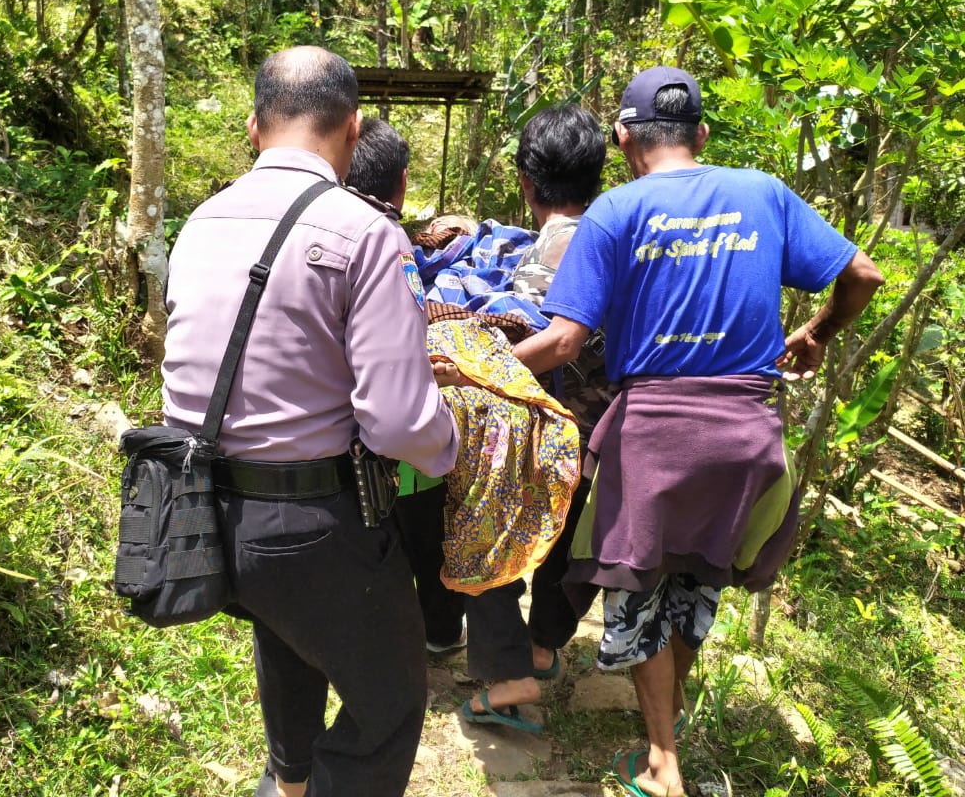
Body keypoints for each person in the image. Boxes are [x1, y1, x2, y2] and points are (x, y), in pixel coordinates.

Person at [504, 67, 884, 796]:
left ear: (622, 139)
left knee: (640, 585)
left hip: (653, 437)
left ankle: (662, 761)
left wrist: (463, 368)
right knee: (697, 578)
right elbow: (861, 273)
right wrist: (820, 330)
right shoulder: (763, 193)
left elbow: (563, 341)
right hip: (746, 433)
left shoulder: (616, 211)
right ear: (702, 134)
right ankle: (667, 720)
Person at [161, 48, 460, 797]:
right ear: (353, 131)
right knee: (389, 704)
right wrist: (450, 442)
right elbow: (399, 424)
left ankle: (288, 779)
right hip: (316, 521)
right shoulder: (363, 233)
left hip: (207, 514)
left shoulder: (200, 221)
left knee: (287, 632)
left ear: (254, 126)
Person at [344, 117, 468, 655]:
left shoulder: (320, 227)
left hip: (334, 444)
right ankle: (438, 633)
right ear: (401, 182)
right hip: (401, 452)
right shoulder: (387, 243)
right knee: (426, 536)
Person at [509, 103, 613, 681]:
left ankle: (531, 649)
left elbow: (555, 341)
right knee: (573, 538)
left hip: (559, 427)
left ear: (526, 181)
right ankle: (544, 641)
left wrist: (472, 367)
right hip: (604, 429)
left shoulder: (552, 246)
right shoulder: (613, 235)